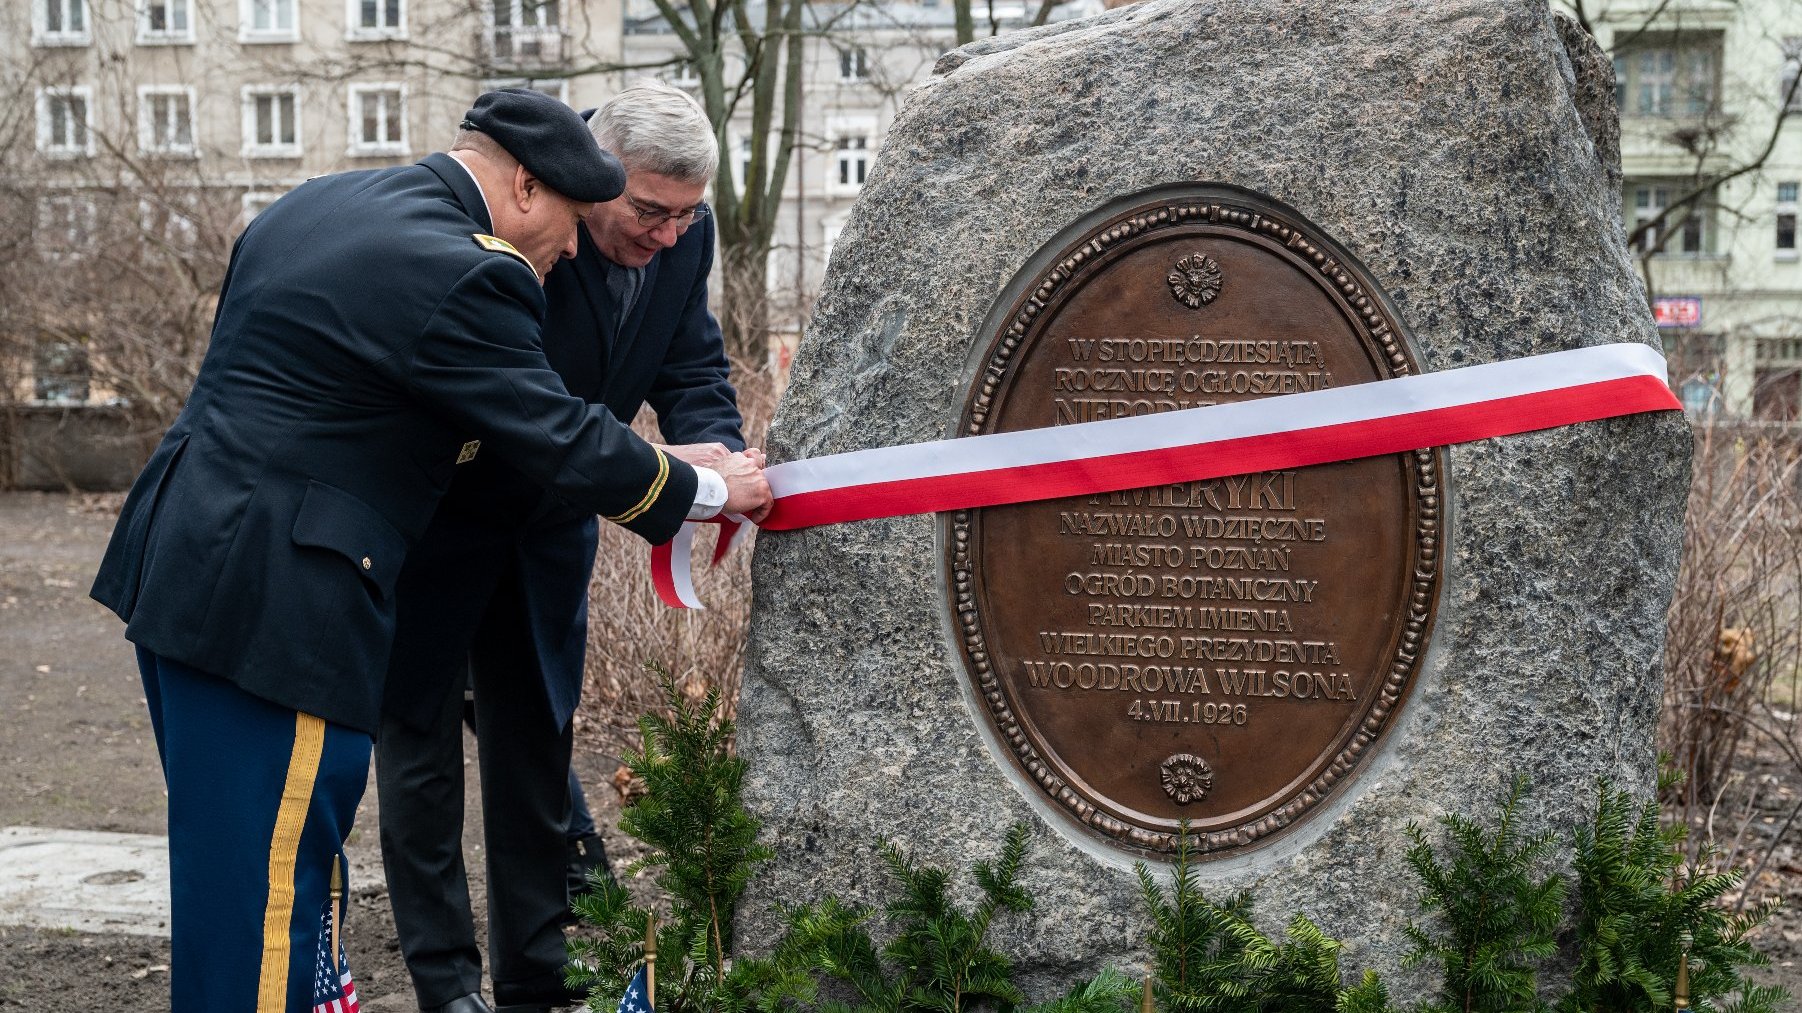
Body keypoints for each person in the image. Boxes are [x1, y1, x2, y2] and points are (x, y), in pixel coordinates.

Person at [87, 87, 772, 1013]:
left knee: (231, 876)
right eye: (572, 222)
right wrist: (712, 489)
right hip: (285, 600)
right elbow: (558, 433)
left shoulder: (317, 203)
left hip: (184, 567)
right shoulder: (469, 270)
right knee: (273, 897)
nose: (571, 251)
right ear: (527, 186)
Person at [376, 80, 747, 1013]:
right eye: (647, 211)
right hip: (439, 521)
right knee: (419, 752)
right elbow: (532, 411)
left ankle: (536, 981)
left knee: (536, 747)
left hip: (549, 535)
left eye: (685, 216)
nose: (666, 236)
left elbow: (691, 362)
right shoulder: (516, 223)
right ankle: (446, 985)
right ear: (585, 178)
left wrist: (725, 460)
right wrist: (671, 480)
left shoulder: (682, 233)